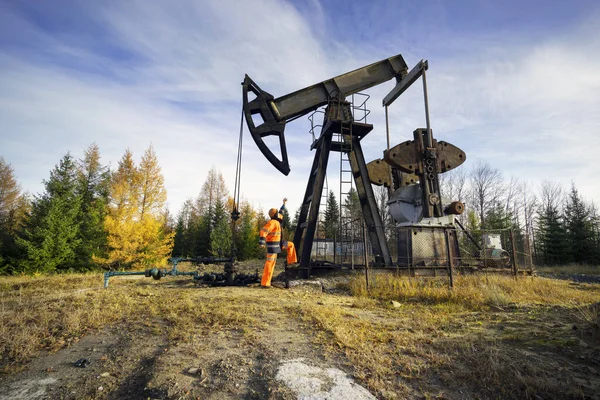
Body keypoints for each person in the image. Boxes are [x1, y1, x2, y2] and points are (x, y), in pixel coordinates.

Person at [258, 197, 297, 287]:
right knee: (270, 263)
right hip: (273, 246)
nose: (280, 215)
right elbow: (263, 231)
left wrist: (284, 204)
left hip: (278, 244)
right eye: (277, 213)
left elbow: (281, 213)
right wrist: (262, 242)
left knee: (290, 245)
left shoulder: (276, 221)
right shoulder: (273, 222)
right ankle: (265, 283)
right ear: (275, 215)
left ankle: (291, 263)